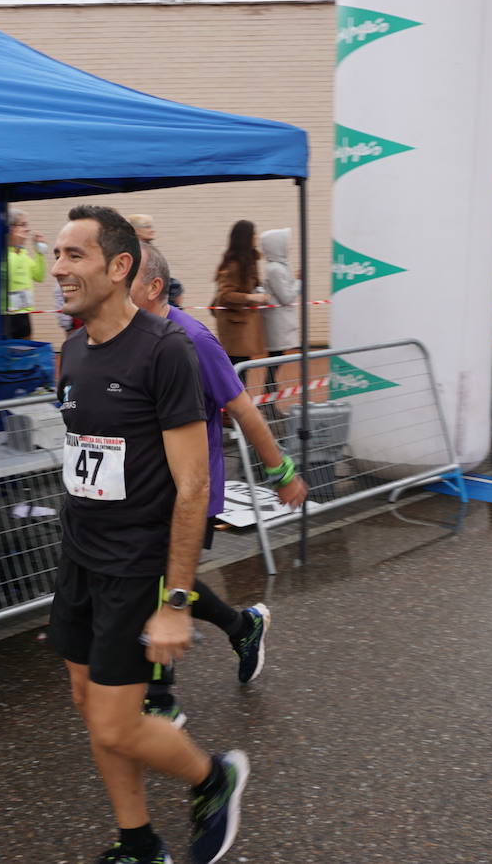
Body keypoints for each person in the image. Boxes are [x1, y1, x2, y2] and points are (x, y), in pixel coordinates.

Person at [49, 204, 248, 864]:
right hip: (79, 558)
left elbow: (192, 487)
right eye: (56, 255)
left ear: (120, 266)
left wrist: (177, 601)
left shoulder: (167, 351)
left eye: (74, 256)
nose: (58, 268)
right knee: (87, 701)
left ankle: (213, 778)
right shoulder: (71, 351)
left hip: (137, 565)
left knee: (116, 720)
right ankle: (138, 841)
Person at [128, 244, 308, 725]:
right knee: (158, 582)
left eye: (123, 275)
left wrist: (282, 473)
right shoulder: (123, 337)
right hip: (141, 490)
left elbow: (244, 409)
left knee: (162, 583)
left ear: (152, 288)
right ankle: (241, 625)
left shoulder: (192, 340)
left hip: (190, 490)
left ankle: (161, 696)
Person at [212, 220, 269, 367]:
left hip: (243, 324)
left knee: (243, 366)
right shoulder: (234, 264)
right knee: (237, 368)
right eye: (253, 234)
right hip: (235, 327)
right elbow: (224, 295)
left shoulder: (249, 261)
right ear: (245, 237)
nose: (257, 237)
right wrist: (251, 297)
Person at [258, 227, 301, 392]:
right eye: (285, 244)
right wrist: (299, 282)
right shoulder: (275, 269)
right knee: (273, 364)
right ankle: (268, 400)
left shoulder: (279, 267)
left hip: (280, 322)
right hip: (278, 323)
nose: (288, 248)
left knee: (274, 363)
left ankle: (269, 400)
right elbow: (287, 297)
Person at [2, 208, 47, 340]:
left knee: (26, 353)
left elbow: (39, 276)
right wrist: (15, 246)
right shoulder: (6, 254)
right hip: (7, 315)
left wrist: (40, 253)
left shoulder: (22, 254)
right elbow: (7, 276)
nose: (27, 229)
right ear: (11, 229)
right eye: (23, 225)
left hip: (24, 313)